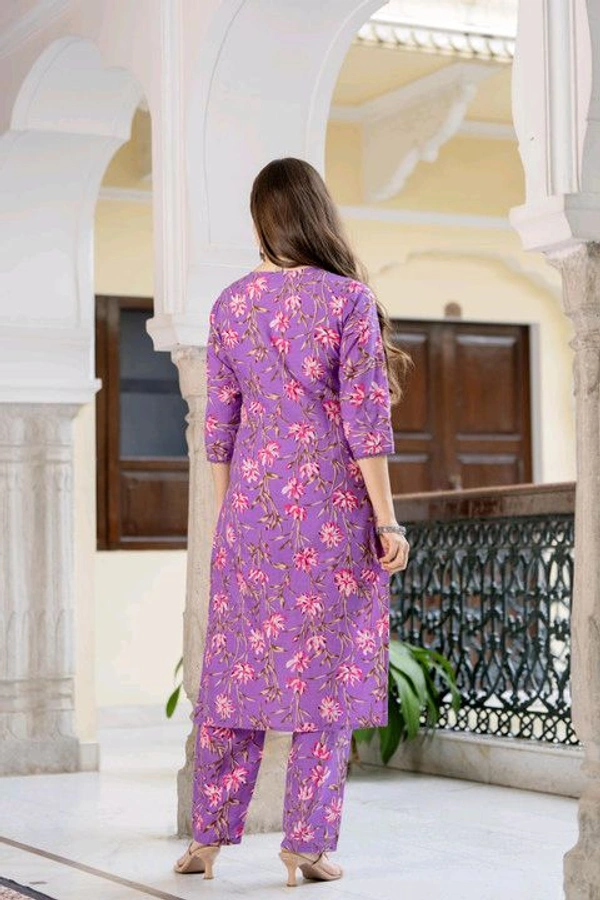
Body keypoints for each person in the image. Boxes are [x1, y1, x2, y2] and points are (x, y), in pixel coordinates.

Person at [174, 157, 411, 887]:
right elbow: (366, 422)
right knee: (326, 683)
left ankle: (206, 839)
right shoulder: (347, 300)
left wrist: (231, 518)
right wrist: (389, 522)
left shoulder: (230, 305)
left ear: (261, 221)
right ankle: (304, 845)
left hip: (250, 518)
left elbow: (219, 428)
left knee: (233, 678)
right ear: (317, 215)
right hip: (332, 521)